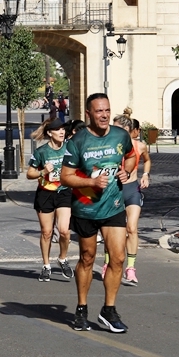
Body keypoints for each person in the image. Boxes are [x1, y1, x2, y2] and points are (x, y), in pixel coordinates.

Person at [60, 93, 136, 333]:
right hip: (86, 206)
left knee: (118, 258)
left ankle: (108, 309)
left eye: (107, 110)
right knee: (87, 258)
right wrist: (91, 183)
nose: (104, 115)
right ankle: (82, 307)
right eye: (99, 111)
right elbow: (65, 176)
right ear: (88, 114)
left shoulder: (120, 135)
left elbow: (132, 158)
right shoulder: (78, 141)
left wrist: (126, 172)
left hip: (114, 205)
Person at [26, 118, 73, 282]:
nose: (62, 132)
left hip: (64, 192)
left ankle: (62, 258)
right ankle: (46, 265)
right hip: (45, 193)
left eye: (63, 129)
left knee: (64, 231)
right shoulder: (41, 152)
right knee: (46, 232)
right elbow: (29, 173)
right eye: (58, 129)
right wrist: (43, 171)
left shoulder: (69, 148)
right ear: (49, 133)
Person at [119, 117, 150, 285]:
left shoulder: (139, 146)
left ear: (130, 130)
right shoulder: (111, 146)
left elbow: (147, 160)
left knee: (132, 228)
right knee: (115, 232)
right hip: (114, 192)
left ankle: (130, 268)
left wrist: (145, 175)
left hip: (132, 189)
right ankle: (109, 262)